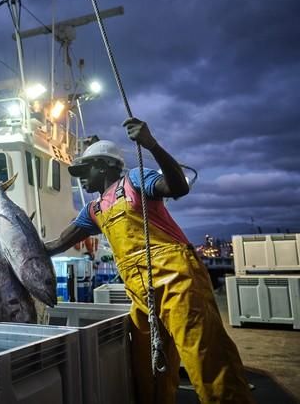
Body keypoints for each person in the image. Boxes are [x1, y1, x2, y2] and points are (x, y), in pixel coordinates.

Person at [45, 118, 253, 403]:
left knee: (206, 357)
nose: (80, 177)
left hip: (178, 278)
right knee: (147, 367)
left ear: (105, 166)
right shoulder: (93, 209)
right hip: (140, 293)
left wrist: (152, 145)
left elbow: (177, 188)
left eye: (85, 168)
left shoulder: (134, 179)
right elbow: (56, 244)